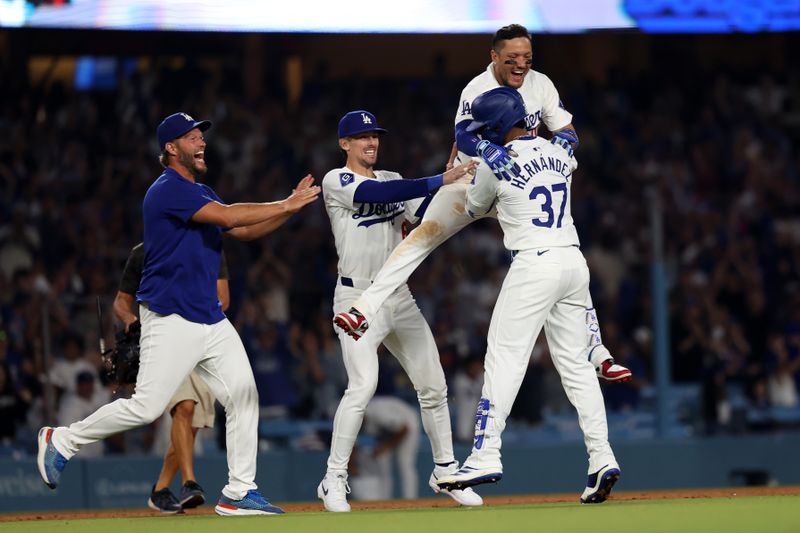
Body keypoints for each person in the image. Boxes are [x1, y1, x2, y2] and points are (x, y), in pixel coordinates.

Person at [36, 111, 321, 517]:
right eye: (191, 138)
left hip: (209, 317)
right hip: (170, 317)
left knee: (243, 394)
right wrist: (284, 202)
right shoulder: (166, 189)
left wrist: (287, 211)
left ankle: (239, 492)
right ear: (171, 148)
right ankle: (61, 440)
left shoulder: (200, 191)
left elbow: (240, 230)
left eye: (200, 136)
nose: (201, 142)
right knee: (146, 407)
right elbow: (228, 217)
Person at [333, 24, 631, 384]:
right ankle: (363, 308)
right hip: (472, 180)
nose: (521, 65)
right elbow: (462, 135)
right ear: (494, 57)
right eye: (512, 59)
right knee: (422, 237)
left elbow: (566, 127)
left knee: (561, 251)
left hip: (520, 186)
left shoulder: (541, 84)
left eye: (527, 58)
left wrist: (568, 141)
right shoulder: (477, 88)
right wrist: (486, 147)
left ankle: (598, 352)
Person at [434, 87, 620, 504]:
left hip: (534, 262)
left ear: (498, 126)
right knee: (576, 366)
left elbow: (472, 208)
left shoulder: (493, 164)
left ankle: (485, 454)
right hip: (572, 260)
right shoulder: (562, 153)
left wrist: (478, 166)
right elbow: (567, 143)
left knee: (504, 357)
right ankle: (601, 457)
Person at [317, 109, 482, 513]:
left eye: (374, 136)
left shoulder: (392, 178)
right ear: (344, 144)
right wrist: (438, 180)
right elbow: (377, 197)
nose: (370, 142)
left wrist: (446, 187)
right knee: (362, 387)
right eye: (361, 137)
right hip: (356, 299)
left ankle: (445, 471)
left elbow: (421, 217)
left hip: (398, 296)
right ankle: (333, 479)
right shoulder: (336, 180)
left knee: (434, 384)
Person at [113, 242, 229, 513]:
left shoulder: (209, 245)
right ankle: (190, 482)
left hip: (203, 340)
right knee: (184, 407)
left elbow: (223, 298)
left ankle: (160, 489)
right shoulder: (143, 251)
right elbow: (121, 300)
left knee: (191, 426)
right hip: (165, 340)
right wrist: (131, 319)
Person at [349, 396, 421, 501]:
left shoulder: (379, 413)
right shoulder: (356, 422)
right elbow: (352, 445)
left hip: (408, 421)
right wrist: (352, 465)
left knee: (404, 462)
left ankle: (410, 498)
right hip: (387, 431)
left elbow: (404, 429)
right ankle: (384, 500)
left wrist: (385, 447)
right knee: (382, 461)